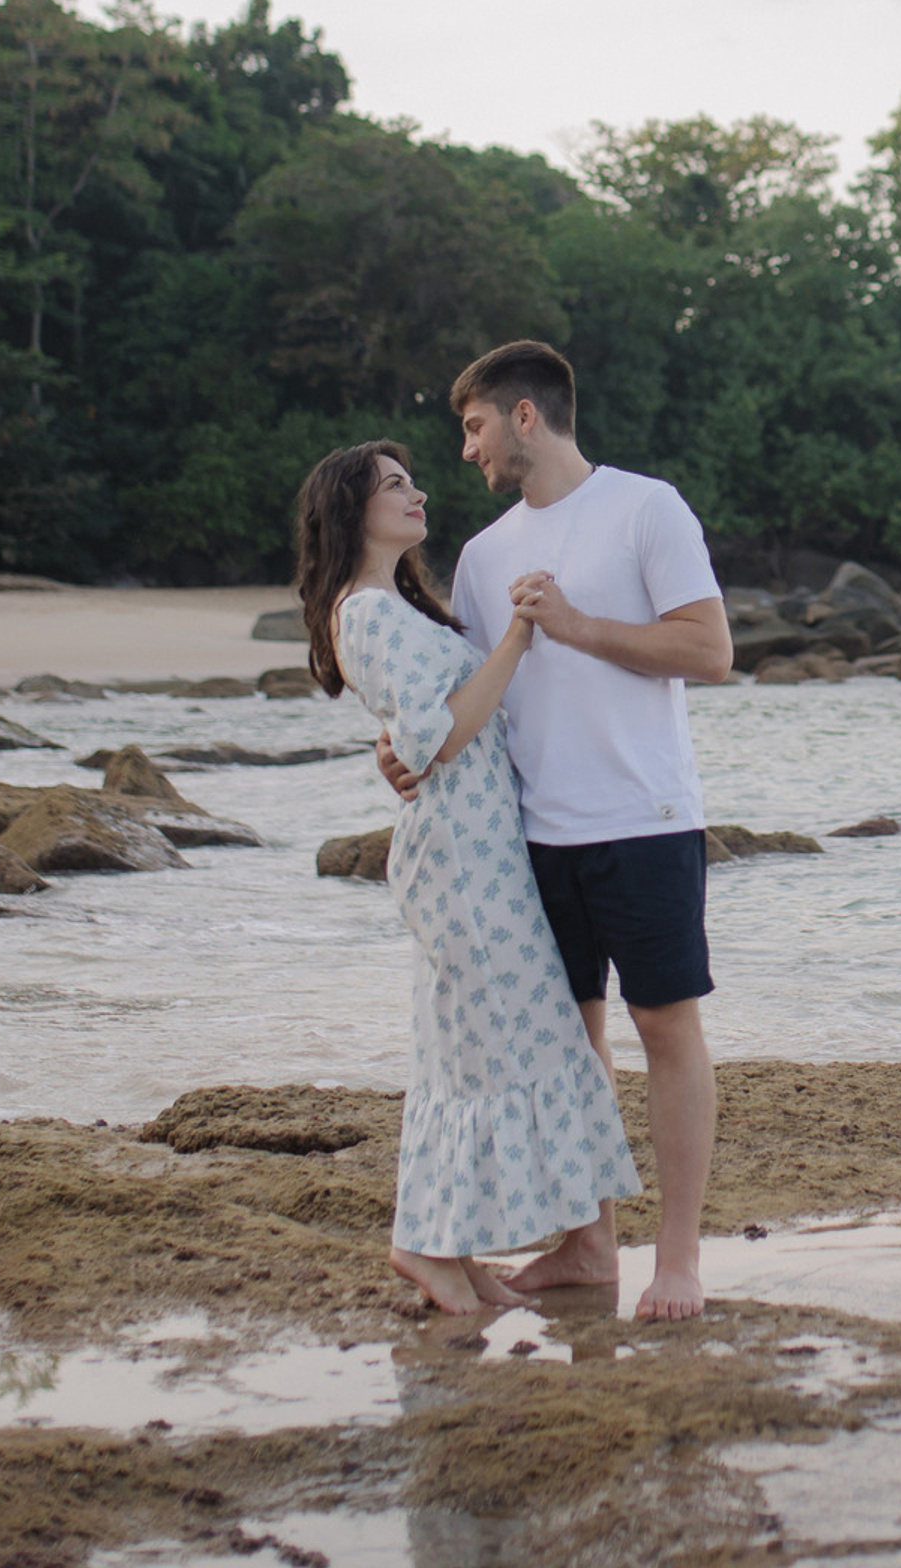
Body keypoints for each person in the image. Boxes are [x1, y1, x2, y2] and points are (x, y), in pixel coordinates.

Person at [376, 338, 733, 1320]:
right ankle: (586, 1246)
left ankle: (678, 1261)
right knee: (570, 1045)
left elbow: (708, 648)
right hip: (528, 838)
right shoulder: (485, 558)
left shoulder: (644, 507)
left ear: (523, 416)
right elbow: (466, 697)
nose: (466, 449)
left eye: (474, 425)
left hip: (645, 818)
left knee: (664, 1027)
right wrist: (403, 750)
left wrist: (576, 626)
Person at [297, 437, 641, 1317]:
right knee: (479, 1058)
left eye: (412, 482)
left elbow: (426, 731)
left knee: (488, 1049)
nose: (417, 495)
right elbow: (440, 737)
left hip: (484, 851)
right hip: (460, 859)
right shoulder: (367, 613)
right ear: (352, 511)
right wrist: (522, 635)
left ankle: (478, 1247)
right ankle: (426, 1246)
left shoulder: (394, 605)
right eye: (395, 487)